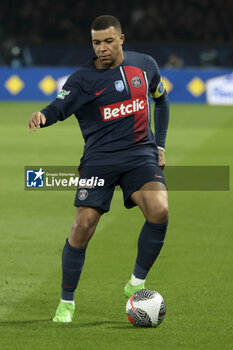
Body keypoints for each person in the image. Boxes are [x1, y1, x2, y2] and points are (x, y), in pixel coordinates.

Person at [28, 15, 169, 323]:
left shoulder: (145, 66)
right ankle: (67, 302)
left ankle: (136, 282)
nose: (101, 48)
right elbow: (58, 107)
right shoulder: (82, 79)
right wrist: (43, 116)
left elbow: (162, 101)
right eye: (95, 42)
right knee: (81, 229)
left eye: (107, 41)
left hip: (139, 155)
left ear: (121, 38)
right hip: (99, 160)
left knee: (160, 210)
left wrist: (160, 146)